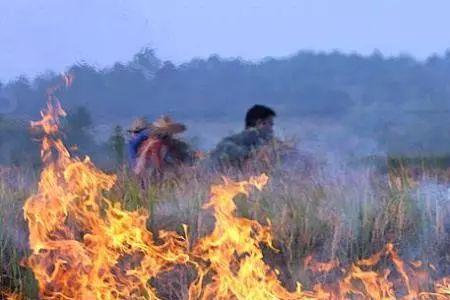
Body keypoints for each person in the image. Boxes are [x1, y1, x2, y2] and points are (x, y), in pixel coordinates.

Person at [210, 104, 288, 172]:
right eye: (270, 124)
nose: (271, 129)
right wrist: (252, 153)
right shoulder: (232, 144)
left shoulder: (266, 143)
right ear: (260, 123)